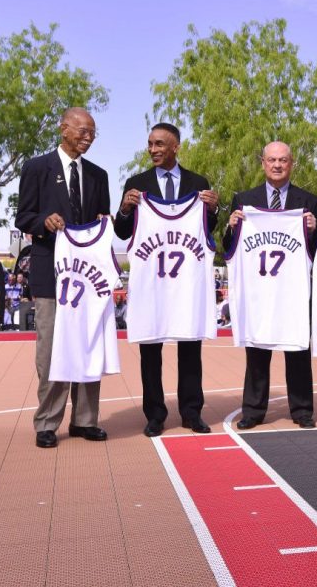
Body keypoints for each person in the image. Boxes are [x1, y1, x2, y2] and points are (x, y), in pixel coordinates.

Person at [113, 122, 219, 437]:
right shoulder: (137, 184)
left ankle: (191, 412)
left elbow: (207, 229)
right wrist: (125, 208)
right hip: (152, 284)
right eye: (150, 144)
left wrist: (213, 210)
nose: (153, 150)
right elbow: (123, 232)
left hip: (186, 283)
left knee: (190, 349)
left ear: (176, 147)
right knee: (150, 351)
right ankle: (155, 415)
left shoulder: (198, 183)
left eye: (159, 144)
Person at [15, 107, 111, 449]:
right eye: (83, 131)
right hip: (50, 275)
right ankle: (47, 422)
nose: (88, 137)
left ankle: (85, 420)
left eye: (93, 133)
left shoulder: (98, 175)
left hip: (89, 279)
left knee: (88, 345)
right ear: (64, 129)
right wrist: (44, 222)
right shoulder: (36, 168)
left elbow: (102, 221)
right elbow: (23, 217)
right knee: (51, 350)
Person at [224, 141, 317, 430]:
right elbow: (229, 247)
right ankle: (253, 411)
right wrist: (231, 226)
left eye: (283, 160)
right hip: (259, 289)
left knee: (298, 350)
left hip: (292, 290)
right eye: (272, 160)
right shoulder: (244, 200)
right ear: (263, 163)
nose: (277, 165)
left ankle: (302, 410)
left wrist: (314, 230)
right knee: (256, 350)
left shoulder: (309, 201)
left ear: (292, 163)